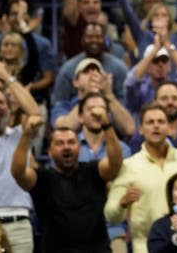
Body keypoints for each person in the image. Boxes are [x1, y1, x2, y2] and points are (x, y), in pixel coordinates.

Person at [104, 104, 177, 253]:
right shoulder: (129, 166)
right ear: (141, 129)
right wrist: (122, 203)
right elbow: (111, 215)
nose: (156, 126)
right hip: (146, 247)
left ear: (170, 128)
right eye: (150, 122)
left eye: (161, 122)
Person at [11, 114, 123, 252]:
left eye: (71, 142)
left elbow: (116, 164)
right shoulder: (42, 178)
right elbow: (17, 173)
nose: (66, 147)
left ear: (79, 147)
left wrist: (107, 126)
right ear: (50, 151)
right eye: (59, 143)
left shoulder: (93, 171)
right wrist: (26, 135)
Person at [0, 70, 40, 253]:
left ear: (9, 109)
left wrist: (7, 77)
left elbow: (35, 114)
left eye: (1, 102)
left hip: (19, 221)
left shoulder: (21, 135)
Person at [76, 91, 132, 253]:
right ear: (80, 117)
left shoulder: (122, 150)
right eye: (91, 109)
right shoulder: (69, 146)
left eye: (101, 109)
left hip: (113, 230)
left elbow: (123, 189)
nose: (97, 113)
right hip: (77, 230)